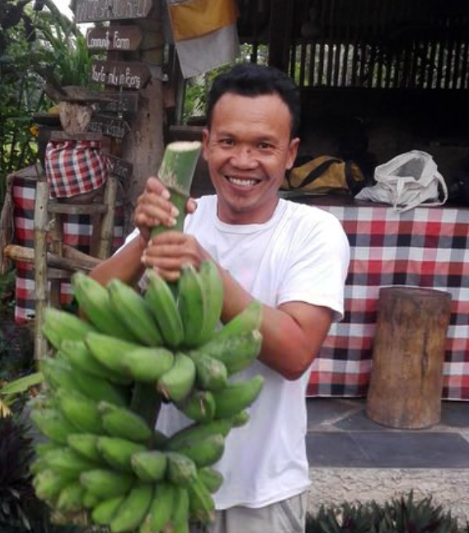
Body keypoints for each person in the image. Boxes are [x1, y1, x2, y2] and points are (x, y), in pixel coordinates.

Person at [89, 63, 350, 533]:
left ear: (290, 154)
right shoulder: (182, 215)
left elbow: (294, 353)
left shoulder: (313, 232)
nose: (244, 161)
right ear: (206, 143)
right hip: (160, 478)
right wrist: (146, 240)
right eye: (228, 142)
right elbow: (91, 310)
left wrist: (207, 270)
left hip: (261, 494)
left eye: (263, 146)